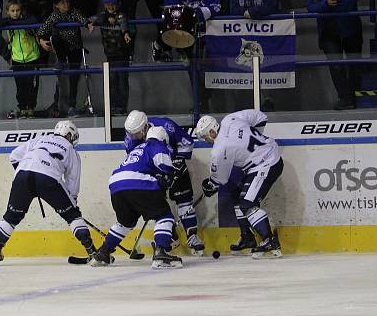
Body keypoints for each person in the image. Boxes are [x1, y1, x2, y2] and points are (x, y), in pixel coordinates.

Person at [0, 121, 96, 265]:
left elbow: (14, 156)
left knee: (11, 216)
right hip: (48, 177)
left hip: (22, 175)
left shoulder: (39, 139)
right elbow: (72, 180)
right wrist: (72, 203)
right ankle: (93, 253)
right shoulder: (70, 149)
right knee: (72, 216)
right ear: (69, 135)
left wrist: (29, 178)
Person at [194, 110, 283, 258]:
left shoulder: (220, 149)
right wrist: (254, 141)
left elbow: (219, 180)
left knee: (248, 204)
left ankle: (269, 240)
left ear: (211, 132)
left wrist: (209, 185)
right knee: (237, 195)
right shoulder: (231, 119)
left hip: (266, 165)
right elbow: (261, 117)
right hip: (267, 157)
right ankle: (247, 237)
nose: (206, 141)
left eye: (205, 138)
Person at [90, 126, 183, 269]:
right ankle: (161, 253)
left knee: (124, 223)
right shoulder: (156, 144)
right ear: (163, 138)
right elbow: (164, 166)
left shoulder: (137, 148)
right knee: (164, 216)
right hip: (138, 182)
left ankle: (103, 253)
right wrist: (169, 176)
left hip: (116, 185)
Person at [123, 110, 204, 254]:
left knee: (184, 201)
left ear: (144, 127)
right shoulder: (130, 139)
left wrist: (179, 160)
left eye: (136, 133)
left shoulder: (166, 125)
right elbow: (136, 160)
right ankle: (168, 238)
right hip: (154, 171)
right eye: (131, 133)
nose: (133, 136)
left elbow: (186, 142)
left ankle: (192, 236)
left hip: (174, 165)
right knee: (157, 206)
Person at [154, 0, 221, 112]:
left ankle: (205, 103)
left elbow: (216, 6)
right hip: (186, 38)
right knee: (193, 71)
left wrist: (193, 14)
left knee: (207, 71)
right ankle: (200, 104)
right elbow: (170, 9)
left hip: (208, 35)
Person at [306, 0, 362, 110]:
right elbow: (310, 6)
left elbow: (348, 4)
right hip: (328, 31)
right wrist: (326, 3)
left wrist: (324, 6)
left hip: (350, 29)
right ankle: (345, 98)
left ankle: (354, 95)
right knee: (335, 65)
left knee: (353, 64)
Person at [36, 0, 94, 117]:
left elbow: (81, 18)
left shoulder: (74, 11)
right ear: (56, 5)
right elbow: (42, 30)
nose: (66, 4)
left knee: (74, 78)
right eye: (62, 3)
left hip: (75, 49)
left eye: (67, 1)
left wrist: (87, 24)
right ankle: (61, 62)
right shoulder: (54, 16)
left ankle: (71, 107)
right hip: (62, 50)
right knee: (55, 38)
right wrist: (40, 40)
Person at [90, 0, 132, 115]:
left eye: (113, 4)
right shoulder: (102, 17)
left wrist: (125, 33)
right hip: (110, 56)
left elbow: (123, 23)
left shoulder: (121, 16)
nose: (110, 7)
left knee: (122, 82)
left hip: (122, 55)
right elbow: (91, 19)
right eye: (108, 4)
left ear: (118, 4)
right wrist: (89, 23)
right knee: (112, 83)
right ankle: (113, 107)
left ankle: (122, 107)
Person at [0, 0, 41, 118]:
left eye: (17, 10)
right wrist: (11, 22)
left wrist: (19, 22)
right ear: (7, 12)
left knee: (32, 86)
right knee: (20, 86)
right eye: (12, 11)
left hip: (32, 58)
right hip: (17, 59)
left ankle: (31, 108)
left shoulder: (28, 20)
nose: (15, 13)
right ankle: (22, 108)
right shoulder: (8, 22)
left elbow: (34, 20)